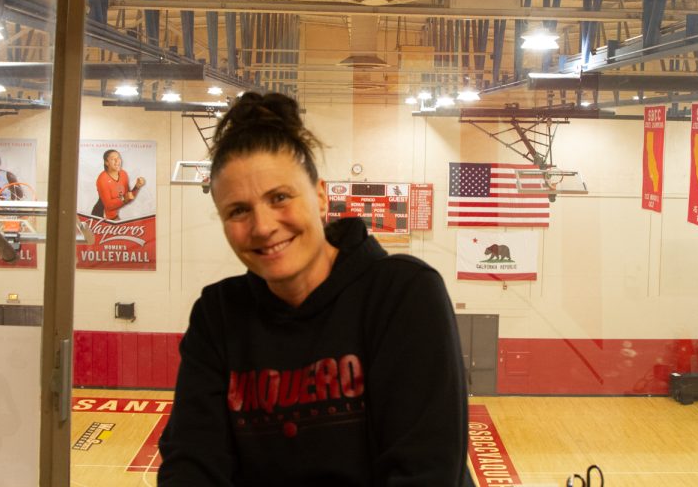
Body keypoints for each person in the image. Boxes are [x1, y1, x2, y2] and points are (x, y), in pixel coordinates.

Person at [158, 92, 469, 486]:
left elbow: (425, 473)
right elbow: (192, 466)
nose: (263, 226)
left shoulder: (403, 293)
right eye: (238, 210)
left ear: (321, 197)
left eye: (280, 197)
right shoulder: (218, 314)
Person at [92, 149, 146, 220]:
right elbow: (108, 205)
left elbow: (128, 197)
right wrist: (124, 199)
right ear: (106, 163)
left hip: (114, 214)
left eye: (118, 158)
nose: (117, 161)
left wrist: (137, 186)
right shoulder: (102, 179)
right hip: (102, 216)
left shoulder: (123, 174)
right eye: (113, 159)